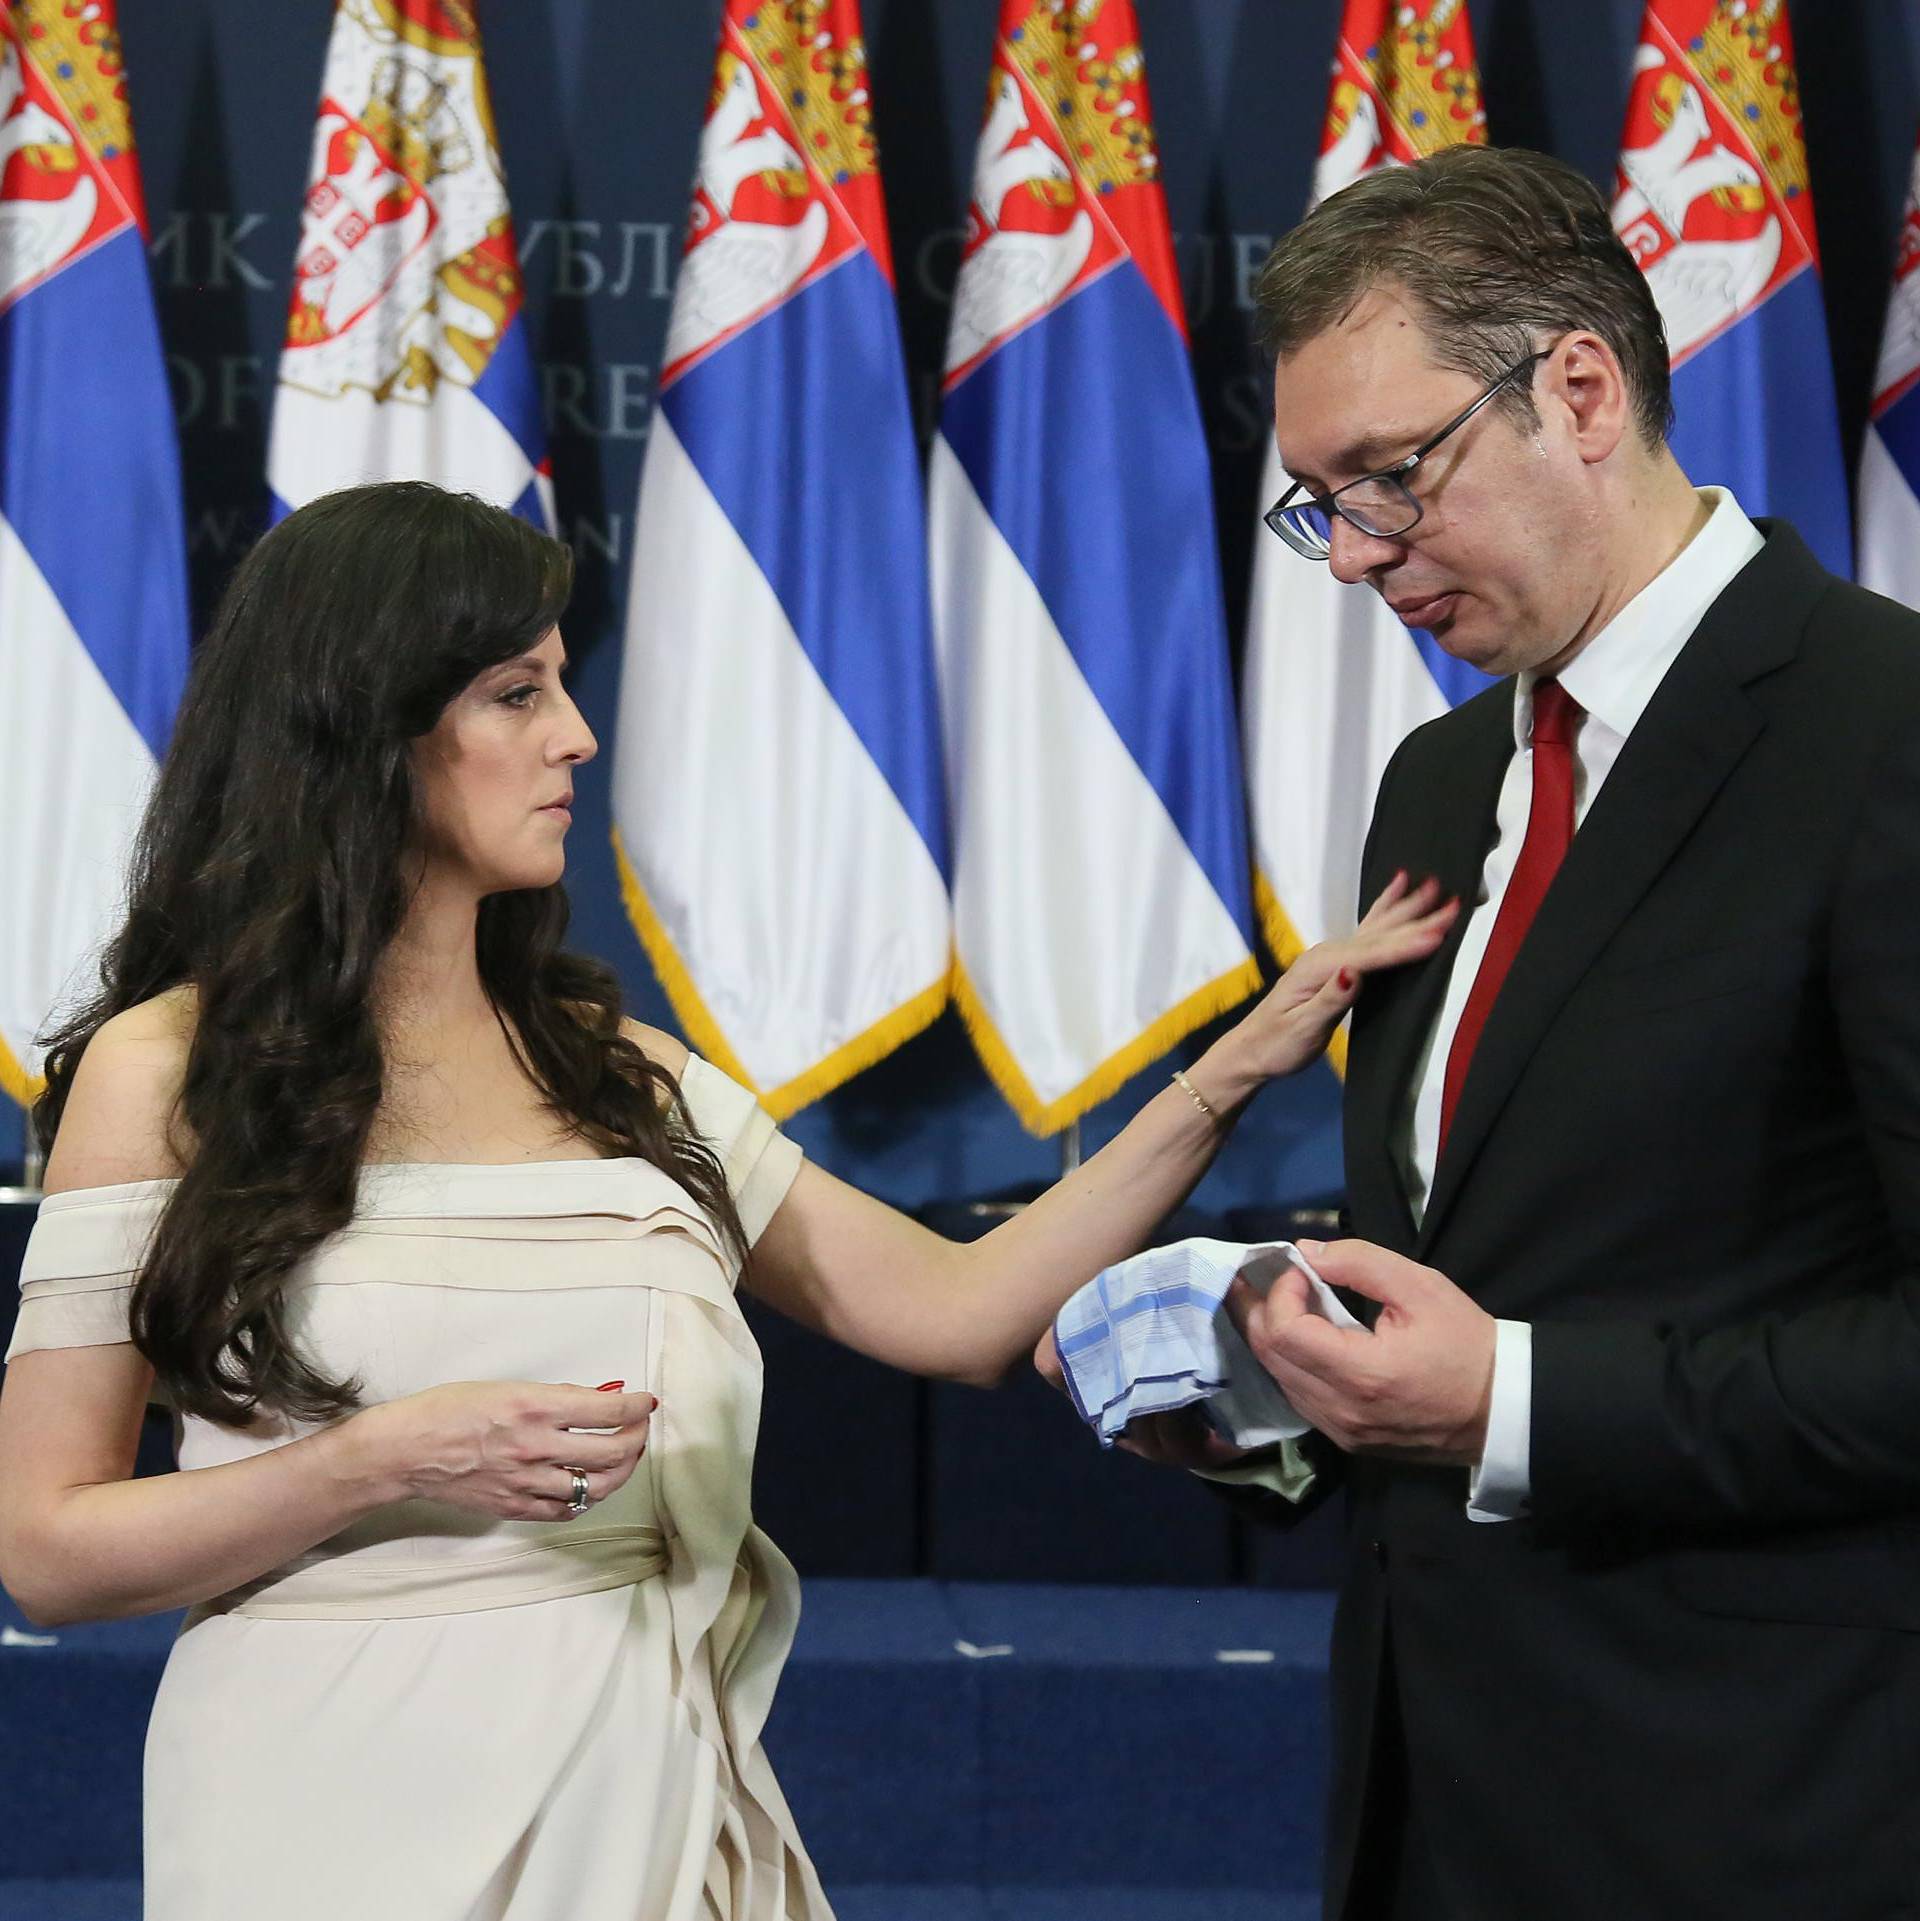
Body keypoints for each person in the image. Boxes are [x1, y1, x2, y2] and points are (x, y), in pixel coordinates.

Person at [0, 480, 1452, 1921]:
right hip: (319, 1813)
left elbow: (958, 1310)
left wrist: (1241, 1065)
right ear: (365, 722)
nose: (576, 734)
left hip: (649, 1801)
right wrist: (375, 1458)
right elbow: (46, 1547)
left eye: (563, 686)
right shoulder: (166, 1072)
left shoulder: (624, 1073)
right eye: (517, 693)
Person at [1045, 145, 1920, 1918]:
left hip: (1765, 1815)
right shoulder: (1442, 781)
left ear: (1581, 390)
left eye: (1392, 479)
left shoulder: (1881, 734)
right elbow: (1480, 1252)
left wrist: (1511, 1399)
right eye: (1322, 506)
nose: (1361, 558)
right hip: (1431, 1803)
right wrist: (1298, 1397)